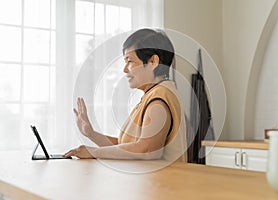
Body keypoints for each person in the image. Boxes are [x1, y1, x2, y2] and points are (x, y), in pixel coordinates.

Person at [64, 28, 186, 161]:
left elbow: (147, 150)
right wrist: (91, 134)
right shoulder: (154, 94)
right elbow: (129, 148)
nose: (124, 69)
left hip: (162, 182)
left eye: (130, 61)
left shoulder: (159, 99)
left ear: (152, 62)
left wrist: (94, 152)